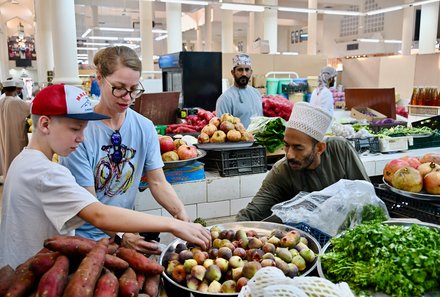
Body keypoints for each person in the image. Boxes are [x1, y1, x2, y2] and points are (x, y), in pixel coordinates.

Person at [0, 84, 211, 269]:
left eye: (84, 129)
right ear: (45, 124)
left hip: (24, 268)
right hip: (30, 274)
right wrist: (174, 224)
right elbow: (99, 214)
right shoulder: (46, 173)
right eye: (75, 129)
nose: (81, 138)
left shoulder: (23, 161)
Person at [60, 46, 191, 253]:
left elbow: (157, 181)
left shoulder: (145, 127)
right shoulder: (79, 131)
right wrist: (121, 236)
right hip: (84, 240)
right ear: (100, 78)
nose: (127, 97)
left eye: (134, 89)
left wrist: (181, 215)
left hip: (125, 234)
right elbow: (90, 205)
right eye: (119, 87)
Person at [236, 102, 370, 222]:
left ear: (319, 148)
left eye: (298, 147)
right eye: (287, 145)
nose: (289, 155)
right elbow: (252, 213)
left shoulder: (340, 150)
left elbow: (367, 196)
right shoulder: (282, 171)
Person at [215, 53, 263, 128]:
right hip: (239, 139)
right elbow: (222, 130)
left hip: (259, 139)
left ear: (251, 72)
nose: (244, 73)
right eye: (240, 70)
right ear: (233, 72)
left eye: (247, 69)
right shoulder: (225, 99)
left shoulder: (256, 93)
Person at [0, 79, 31, 179]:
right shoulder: (15, 102)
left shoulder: (2, 101)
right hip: (15, 136)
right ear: (15, 89)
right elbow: (31, 108)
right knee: (15, 156)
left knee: (6, 155)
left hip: (4, 134)